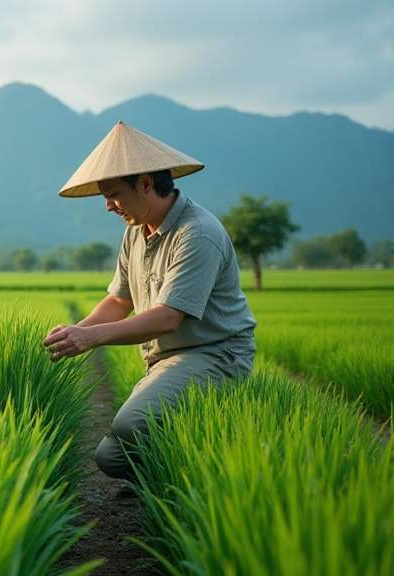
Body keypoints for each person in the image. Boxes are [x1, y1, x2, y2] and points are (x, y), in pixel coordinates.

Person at [42, 121, 256, 480]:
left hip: (215, 353)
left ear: (145, 183)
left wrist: (91, 339)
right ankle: (182, 471)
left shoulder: (197, 234)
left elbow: (167, 318)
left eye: (113, 194)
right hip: (166, 359)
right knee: (112, 457)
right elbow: (119, 300)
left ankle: (217, 468)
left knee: (129, 427)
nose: (109, 206)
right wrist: (74, 332)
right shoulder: (135, 232)